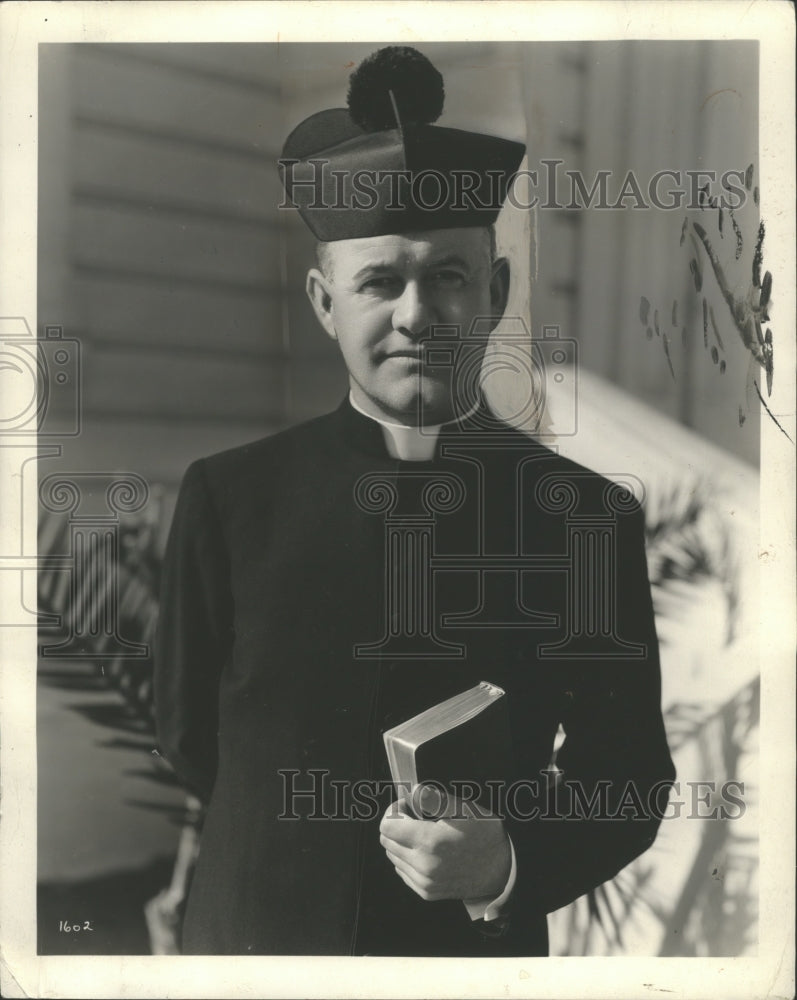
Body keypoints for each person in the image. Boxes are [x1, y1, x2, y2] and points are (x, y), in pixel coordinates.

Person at [154, 46, 675, 957]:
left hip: (461, 956)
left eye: (447, 276)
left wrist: (504, 865)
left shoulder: (579, 518)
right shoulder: (230, 499)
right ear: (324, 301)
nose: (414, 315)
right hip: (253, 940)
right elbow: (192, 738)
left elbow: (626, 776)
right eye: (378, 281)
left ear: (496, 293)